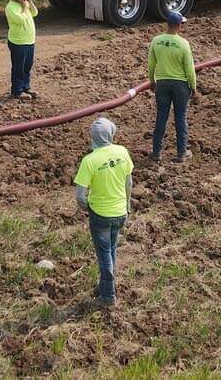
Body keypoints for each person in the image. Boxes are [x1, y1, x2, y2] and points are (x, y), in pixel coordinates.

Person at [73, 117, 133, 307]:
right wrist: (127, 205)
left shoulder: (90, 161)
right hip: (120, 212)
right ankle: (108, 283)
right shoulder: (122, 152)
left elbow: (80, 196)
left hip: (101, 215)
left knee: (104, 253)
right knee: (112, 248)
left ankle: (108, 296)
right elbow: (128, 182)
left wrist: (87, 208)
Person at [148, 11, 197, 162]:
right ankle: (182, 152)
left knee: (161, 116)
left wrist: (152, 80)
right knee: (180, 117)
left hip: (162, 83)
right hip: (180, 85)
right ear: (178, 25)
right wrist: (193, 86)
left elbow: (151, 63)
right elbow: (189, 68)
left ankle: (156, 152)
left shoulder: (156, 41)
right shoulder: (183, 44)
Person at [5, 0, 39, 99]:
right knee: (18, 67)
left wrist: (30, 2)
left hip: (29, 41)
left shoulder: (26, 4)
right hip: (18, 42)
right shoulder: (11, 7)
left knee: (27, 66)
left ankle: (26, 87)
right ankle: (17, 91)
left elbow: (35, 13)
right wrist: (25, 7)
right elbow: (19, 20)